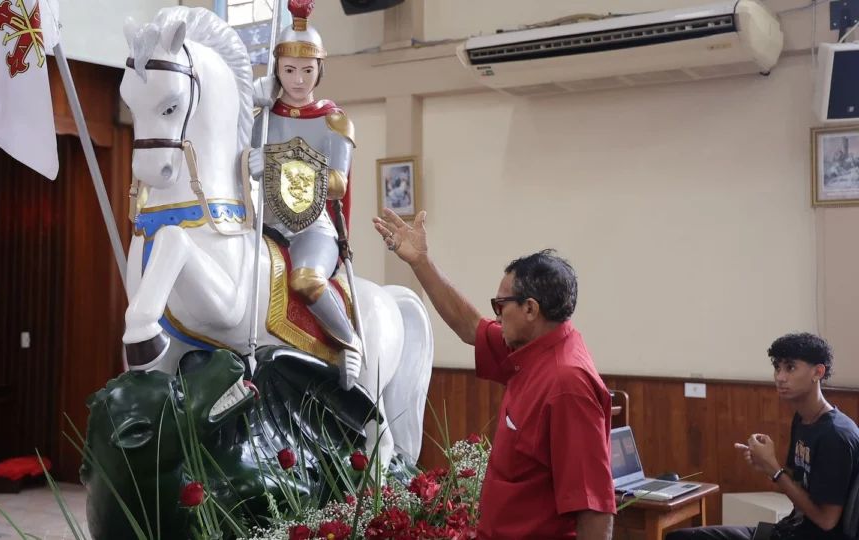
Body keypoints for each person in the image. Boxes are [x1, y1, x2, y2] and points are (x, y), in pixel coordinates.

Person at [373, 209, 616, 539]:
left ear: (530, 309)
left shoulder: (567, 384)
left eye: (501, 306)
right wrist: (421, 262)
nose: (496, 317)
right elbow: (470, 326)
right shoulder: (532, 346)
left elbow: (593, 506)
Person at [248, 0, 360, 390]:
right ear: (277, 69)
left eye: (307, 70)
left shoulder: (334, 121)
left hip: (312, 227)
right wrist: (248, 158)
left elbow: (338, 182)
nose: (298, 80)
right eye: (290, 70)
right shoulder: (261, 119)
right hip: (264, 225)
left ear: (319, 70)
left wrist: (275, 163)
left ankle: (348, 341)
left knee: (307, 281)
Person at [668, 333, 859, 540]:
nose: (780, 377)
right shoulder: (803, 419)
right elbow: (798, 487)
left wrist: (774, 469)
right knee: (679, 537)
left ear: (817, 372)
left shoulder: (835, 435)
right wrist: (766, 465)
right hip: (788, 530)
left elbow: (826, 521)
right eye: (777, 367)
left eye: (790, 368)